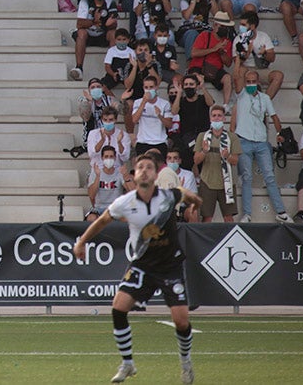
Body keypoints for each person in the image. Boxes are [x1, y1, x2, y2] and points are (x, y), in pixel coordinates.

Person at [74, 153, 202, 384]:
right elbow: (102, 220)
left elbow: (186, 195)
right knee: (118, 307)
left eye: (149, 167)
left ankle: (186, 363)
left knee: (181, 320)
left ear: (156, 174)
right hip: (142, 264)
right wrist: (82, 242)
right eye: (140, 167)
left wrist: (195, 203)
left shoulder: (168, 196)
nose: (144, 170)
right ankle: (127, 364)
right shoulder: (125, 202)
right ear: (134, 173)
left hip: (169, 265)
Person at [231, 69, 290, 223]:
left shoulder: (264, 98)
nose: (250, 84)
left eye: (253, 81)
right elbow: (236, 76)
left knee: (270, 176)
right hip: (243, 141)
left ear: (258, 83)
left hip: (262, 142)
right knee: (247, 177)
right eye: (248, 81)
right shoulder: (241, 95)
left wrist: (279, 133)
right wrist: (238, 59)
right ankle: (247, 214)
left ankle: (281, 212)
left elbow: (274, 116)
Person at [193, 104, 240, 223]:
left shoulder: (232, 137)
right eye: (214, 116)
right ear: (210, 118)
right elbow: (196, 160)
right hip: (207, 182)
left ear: (224, 118)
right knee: (207, 217)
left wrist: (227, 156)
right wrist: (204, 151)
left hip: (227, 183)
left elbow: (235, 161)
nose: (217, 118)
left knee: (228, 218)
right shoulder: (202, 136)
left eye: (219, 116)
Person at [70, 0, 118, 81]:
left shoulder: (110, 0)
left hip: (103, 35)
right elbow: (79, 24)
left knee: (114, 34)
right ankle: (79, 68)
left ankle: (112, 69)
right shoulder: (85, 0)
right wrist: (94, 21)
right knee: (81, 32)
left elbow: (113, 23)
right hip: (88, 36)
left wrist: (102, 24)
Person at [85, 145, 131, 221]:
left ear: (115, 158)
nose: (109, 159)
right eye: (106, 156)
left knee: (126, 218)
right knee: (91, 218)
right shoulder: (95, 172)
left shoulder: (120, 172)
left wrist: (126, 176)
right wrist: (98, 177)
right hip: (99, 208)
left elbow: (131, 192)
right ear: (102, 158)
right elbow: (91, 195)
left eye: (111, 156)